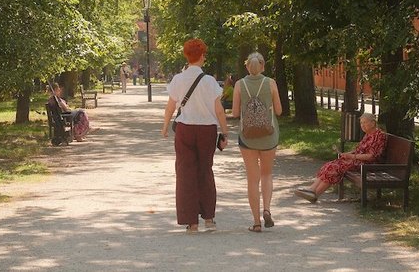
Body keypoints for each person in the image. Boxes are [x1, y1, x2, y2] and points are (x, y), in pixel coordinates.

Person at [161, 38, 229, 233]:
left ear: (186, 56)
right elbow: (219, 110)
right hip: (207, 130)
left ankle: (191, 222)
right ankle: (209, 218)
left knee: (185, 173)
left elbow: (170, 106)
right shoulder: (209, 81)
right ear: (202, 56)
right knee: (205, 171)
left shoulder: (178, 79)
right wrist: (225, 132)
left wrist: (165, 126)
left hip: (185, 129)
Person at [231, 53, 282, 232]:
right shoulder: (271, 83)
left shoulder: (239, 85)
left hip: (247, 137)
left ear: (247, 67)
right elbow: (279, 110)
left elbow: (235, 113)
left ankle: (256, 222)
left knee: (253, 179)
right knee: (267, 174)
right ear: (262, 66)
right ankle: (267, 209)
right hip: (269, 136)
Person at [294, 113, 386, 203]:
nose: (362, 125)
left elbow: (371, 156)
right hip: (359, 161)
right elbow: (359, 150)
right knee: (330, 165)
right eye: (361, 123)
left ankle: (315, 194)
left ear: (373, 123)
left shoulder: (379, 136)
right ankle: (312, 189)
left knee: (336, 167)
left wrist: (352, 156)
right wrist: (347, 154)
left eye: (365, 123)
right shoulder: (368, 134)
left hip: (368, 165)